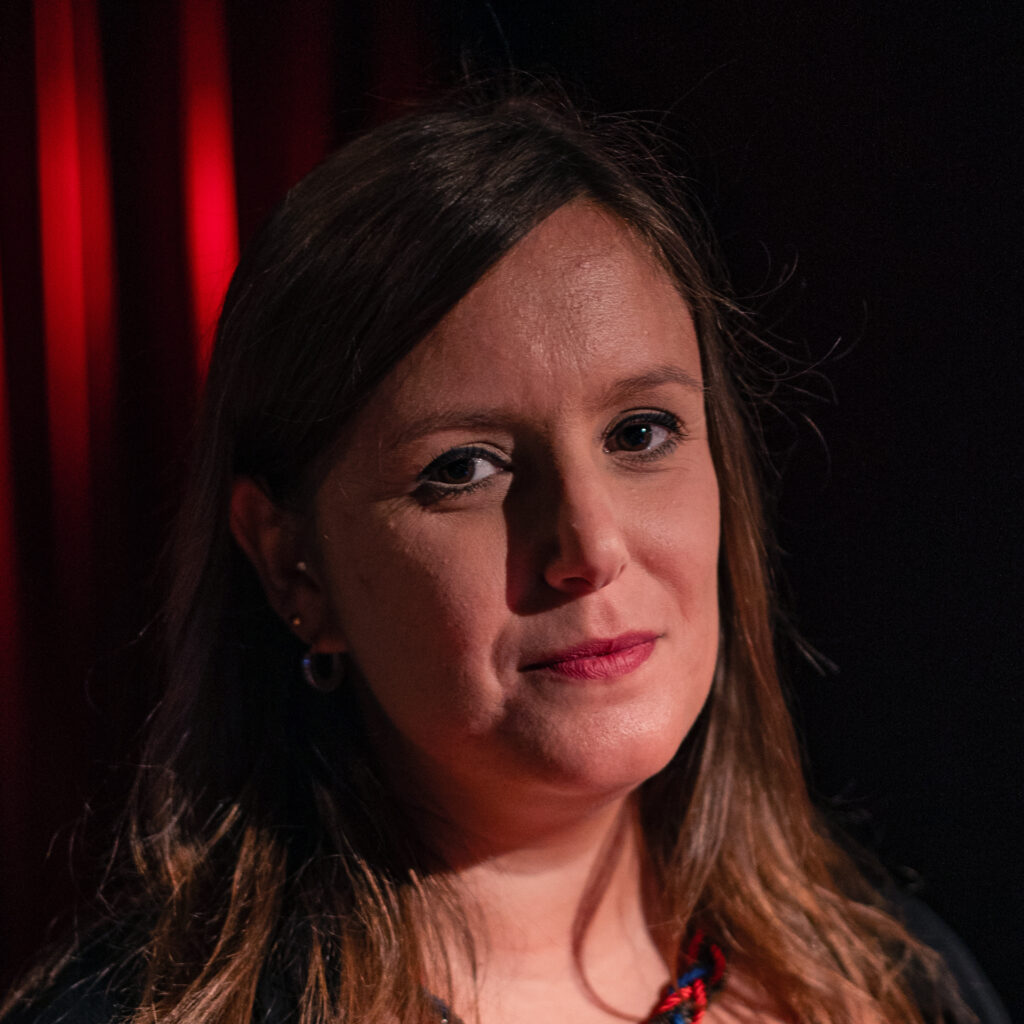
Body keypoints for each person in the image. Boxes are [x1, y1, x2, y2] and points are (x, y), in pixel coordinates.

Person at [2, 85, 1007, 1024]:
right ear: (292, 564)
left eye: (641, 433)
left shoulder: (899, 981)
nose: (590, 547)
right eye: (464, 468)